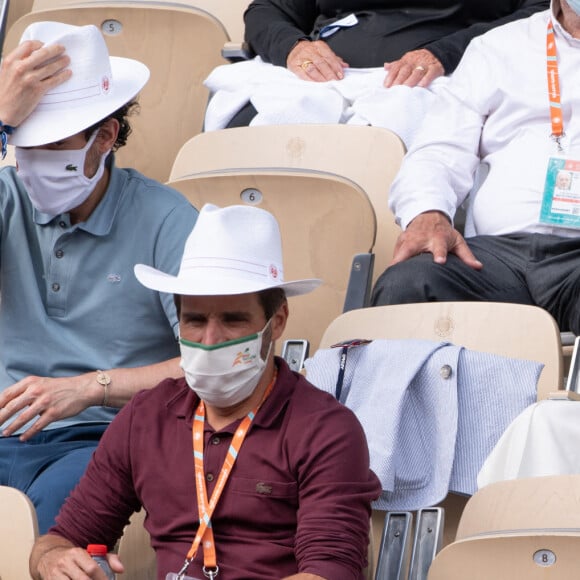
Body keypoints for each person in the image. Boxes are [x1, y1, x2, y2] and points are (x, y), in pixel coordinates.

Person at [30, 203, 381, 580]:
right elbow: (61, 539)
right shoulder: (145, 417)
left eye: (233, 320)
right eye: (195, 320)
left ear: (276, 322)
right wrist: (54, 561)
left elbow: (330, 572)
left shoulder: (326, 429)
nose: (210, 340)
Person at [0, 21, 198, 534]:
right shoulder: (6, 192)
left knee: (56, 543)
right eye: (23, 141)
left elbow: (212, 363)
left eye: (53, 144)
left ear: (106, 136)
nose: (33, 160)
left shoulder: (168, 219)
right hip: (4, 433)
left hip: (102, 439)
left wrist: (92, 388)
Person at [371, 0, 580, 336]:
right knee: (407, 285)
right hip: (496, 255)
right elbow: (440, 147)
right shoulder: (497, 47)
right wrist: (429, 211)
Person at [205, 0, 548, 132]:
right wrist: (295, 48)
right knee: (243, 126)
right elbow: (267, 11)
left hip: (441, 74)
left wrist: (447, 52)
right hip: (321, 76)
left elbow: (539, 11)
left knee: (391, 140)